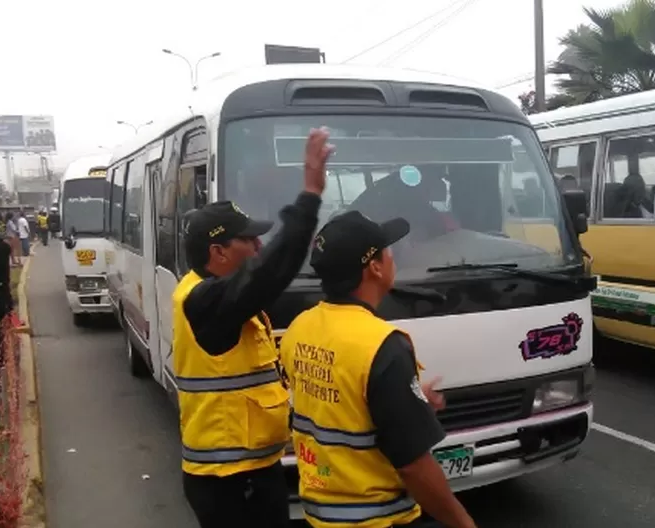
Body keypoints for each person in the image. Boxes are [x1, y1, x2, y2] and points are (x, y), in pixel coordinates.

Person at [172, 127, 333, 528]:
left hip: (251, 468)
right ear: (219, 252)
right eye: (250, 241)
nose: (259, 247)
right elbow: (271, 270)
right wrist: (310, 194)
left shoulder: (221, 295)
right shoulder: (202, 300)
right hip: (228, 480)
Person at [280, 210, 477, 528]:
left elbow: (338, 404)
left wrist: (407, 403)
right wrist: (463, 523)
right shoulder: (382, 344)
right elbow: (414, 467)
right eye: (388, 250)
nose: (393, 256)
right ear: (374, 267)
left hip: (321, 514)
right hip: (379, 518)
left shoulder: (299, 329)